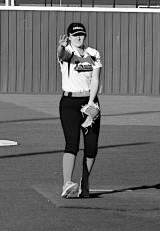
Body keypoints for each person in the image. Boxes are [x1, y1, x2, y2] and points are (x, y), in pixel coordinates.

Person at [57, 22, 102, 198]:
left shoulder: (94, 53)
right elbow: (62, 54)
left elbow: (96, 80)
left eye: (81, 34)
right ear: (69, 37)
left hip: (89, 102)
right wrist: (60, 47)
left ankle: (85, 181)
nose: (78, 37)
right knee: (72, 143)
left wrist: (91, 103)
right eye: (75, 34)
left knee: (91, 146)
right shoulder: (68, 52)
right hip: (69, 103)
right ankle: (67, 183)